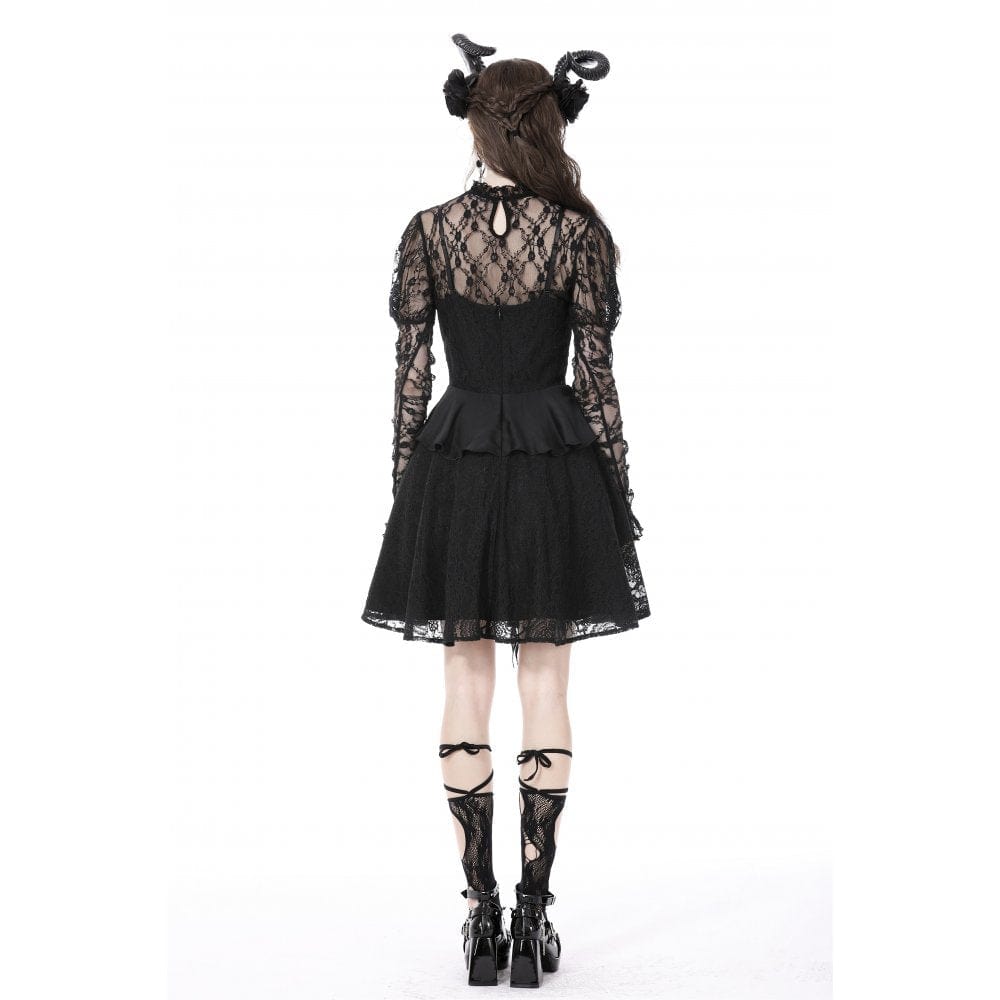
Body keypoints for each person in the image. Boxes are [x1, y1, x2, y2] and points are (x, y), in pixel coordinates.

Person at [361, 34, 651, 987]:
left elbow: (411, 381)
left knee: (463, 678)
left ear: (475, 126)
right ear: (550, 128)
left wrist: (409, 497)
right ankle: (532, 916)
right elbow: (597, 383)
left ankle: (480, 918)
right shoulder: (578, 233)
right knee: (548, 685)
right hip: (553, 460)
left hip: (456, 462)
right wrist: (617, 495)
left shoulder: (427, 231)